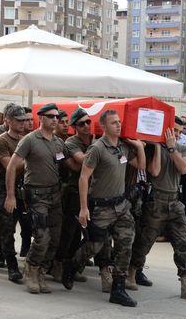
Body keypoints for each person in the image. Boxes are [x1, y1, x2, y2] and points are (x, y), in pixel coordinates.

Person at [62, 110, 145, 306]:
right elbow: (83, 177)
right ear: (104, 126)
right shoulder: (97, 148)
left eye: (119, 122)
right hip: (101, 207)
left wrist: (139, 146)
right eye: (114, 123)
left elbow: (141, 165)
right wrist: (84, 209)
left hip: (121, 205)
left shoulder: (123, 148)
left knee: (125, 244)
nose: (118, 125)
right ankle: (72, 266)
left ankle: (118, 289)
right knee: (94, 245)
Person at [129, 119, 186, 300]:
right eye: (174, 131)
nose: (178, 134)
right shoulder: (152, 148)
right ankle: (131, 271)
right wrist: (158, 146)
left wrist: (172, 148)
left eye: (179, 131)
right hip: (155, 201)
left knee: (183, 243)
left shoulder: (183, 148)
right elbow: (154, 171)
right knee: (144, 242)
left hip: (174, 201)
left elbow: (183, 168)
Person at [5, 103, 75, 294]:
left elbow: (72, 165)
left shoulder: (59, 143)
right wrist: (10, 195)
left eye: (57, 117)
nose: (55, 120)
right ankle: (31, 269)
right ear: (41, 118)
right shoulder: (30, 140)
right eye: (51, 116)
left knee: (55, 238)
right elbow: (11, 167)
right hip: (36, 195)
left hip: (55, 195)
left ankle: (42, 272)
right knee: (42, 237)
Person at [0, 105, 29, 282]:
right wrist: (31, 160)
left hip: (17, 187)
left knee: (4, 225)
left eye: (24, 120)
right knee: (8, 227)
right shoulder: (1, 141)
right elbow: (10, 166)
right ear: (8, 121)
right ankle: (12, 266)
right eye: (18, 120)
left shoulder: (25, 139)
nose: (22, 123)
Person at [52, 108, 93, 284]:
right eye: (81, 123)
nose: (86, 126)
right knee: (69, 232)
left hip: (93, 193)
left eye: (88, 122)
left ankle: (73, 264)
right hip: (73, 193)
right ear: (75, 127)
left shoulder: (95, 140)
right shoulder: (70, 143)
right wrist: (99, 148)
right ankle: (59, 264)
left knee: (90, 234)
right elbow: (82, 163)